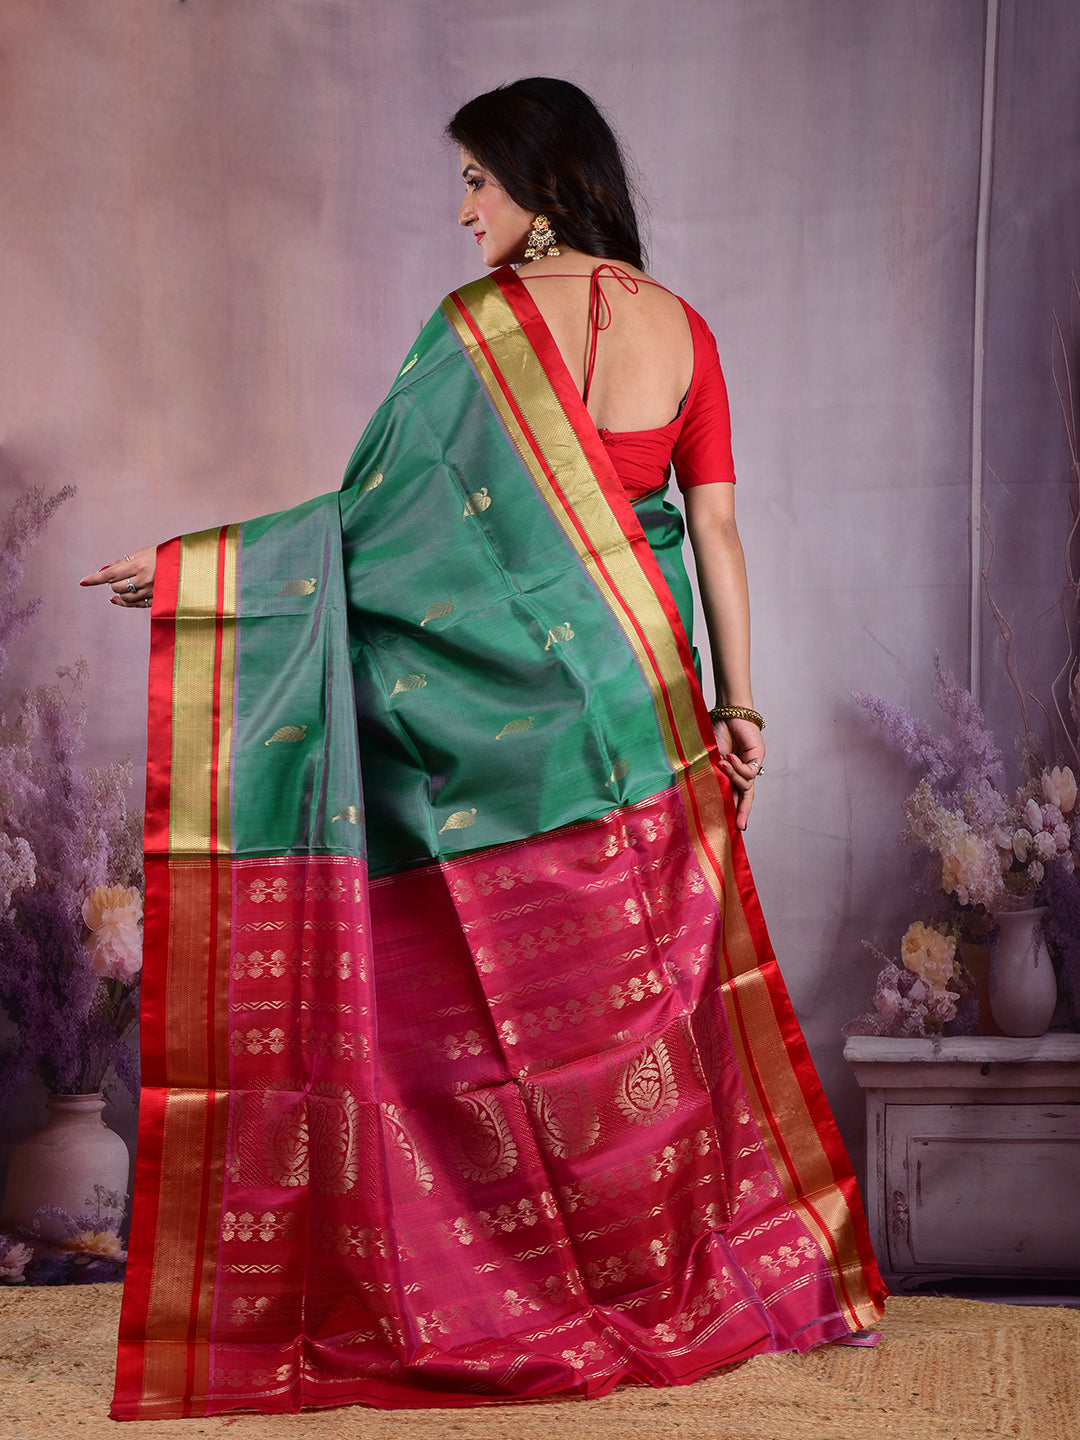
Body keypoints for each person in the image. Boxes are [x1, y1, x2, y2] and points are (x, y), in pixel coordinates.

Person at [84, 78, 883, 1422]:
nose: (463, 211)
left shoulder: (479, 330)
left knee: (492, 998)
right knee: (636, 1007)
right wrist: (740, 711)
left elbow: (375, 529)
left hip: (509, 734)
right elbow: (717, 534)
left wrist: (201, 576)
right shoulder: (685, 329)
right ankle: (654, 1279)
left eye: (476, 180)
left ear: (542, 181)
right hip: (647, 697)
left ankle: (517, 1286)